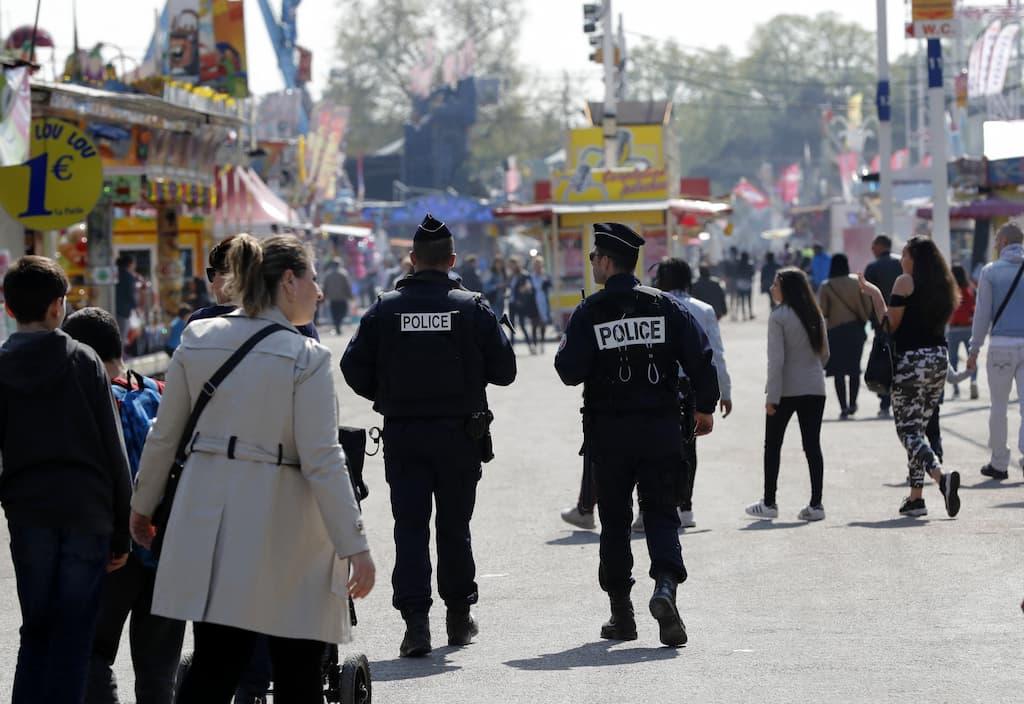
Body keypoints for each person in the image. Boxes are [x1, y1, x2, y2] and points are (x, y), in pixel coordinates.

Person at [129, 234, 376, 700]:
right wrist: (355, 545)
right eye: (312, 278)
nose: (319, 291)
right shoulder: (308, 357)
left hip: (208, 523)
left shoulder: (197, 339)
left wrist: (141, 506)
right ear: (288, 281)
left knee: (213, 666)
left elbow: (164, 436)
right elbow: (324, 461)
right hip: (288, 529)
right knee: (298, 673)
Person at [341, 214, 516, 658]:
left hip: (404, 434)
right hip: (459, 434)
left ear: (413, 260)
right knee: (454, 527)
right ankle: (458, 619)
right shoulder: (473, 307)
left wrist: (387, 394)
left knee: (410, 529)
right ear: (452, 259)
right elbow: (506, 371)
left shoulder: (385, 308)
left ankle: (416, 626)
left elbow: (351, 367)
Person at [554, 223, 719, 647]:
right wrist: (704, 406)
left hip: (610, 437)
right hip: (662, 431)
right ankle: (665, 590)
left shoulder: (590, 312)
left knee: (614, 522)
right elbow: (701, 357)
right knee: (662, 513)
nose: (592, 263)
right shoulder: (666, 307)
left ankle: (622, 616)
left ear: (607, 263)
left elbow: (568, 371)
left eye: (594, 258)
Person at [0, 256, 132, 703]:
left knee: (36, 630)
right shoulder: (86, 361)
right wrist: (122, 529)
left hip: (29, 514)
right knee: (75, 637)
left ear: (9, 307)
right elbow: (113, 450)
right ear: (59, 306)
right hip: (87, 515)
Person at [63, 308, 186, 704]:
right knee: (158, 670)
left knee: (92, 655)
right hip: (166, 548)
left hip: (111, 551)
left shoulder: (86, 400)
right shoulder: (161, 392)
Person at [859, 235, 961, 518]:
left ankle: (943, 478)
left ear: (914, 258)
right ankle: (916, 498)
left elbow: (890, 325)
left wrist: (876, 295)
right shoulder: (945, 285)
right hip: (938, 360)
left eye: (905, 254)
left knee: (908, 431)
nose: (902, 259)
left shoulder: (905, 282)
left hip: (912, 362)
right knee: (919, 428)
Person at [650, 258, 732, 529]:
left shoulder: (653, 306)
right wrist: (724, 391)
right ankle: (686, 507)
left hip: (659, 385)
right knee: (689, 447)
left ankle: (658, 504)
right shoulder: (704, 309)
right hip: (692, 388)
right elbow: (715, 354)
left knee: (656, 446)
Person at [746, 268, 830, 522]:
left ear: (786, 288)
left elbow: (777, 360)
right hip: (815, 388)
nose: (772, 289)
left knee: (772, 445)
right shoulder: (814, 314)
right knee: (812, 446)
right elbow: (825, 354)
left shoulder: (779, 316)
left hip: (785, 391)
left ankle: (770, 501)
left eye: (775, 284)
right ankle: (816, 504)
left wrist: (772, 396)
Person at [967, 222, 1024, 480]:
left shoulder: (990, 272)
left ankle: (1000, 463)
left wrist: (974, 348)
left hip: (1001, 347)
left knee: (998, 407)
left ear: (1002, 242)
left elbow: (982, 315)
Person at [191, 235, 319, 341]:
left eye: (213, 274)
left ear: (233, 276)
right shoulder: (296, 321)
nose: (212, 285)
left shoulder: (200, 322)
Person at [818, 254, 872, 420]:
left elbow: (823, 311)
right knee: (854, 367)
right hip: (855, 329)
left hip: (835, 331)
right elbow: (868, 305)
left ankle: (843, 407)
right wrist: (862, 320)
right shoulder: (856, 282)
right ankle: (853, 403)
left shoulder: (827, 286)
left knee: (838, 370)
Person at [865, 235, 904, 418]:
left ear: (881, 246)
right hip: (903, 320)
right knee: (900, 358)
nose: (872, 249)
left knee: (883, 358)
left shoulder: (873, 268)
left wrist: (868, 319)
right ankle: (899, 397)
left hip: (881, 323)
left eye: (873, 246)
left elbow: (867, 297)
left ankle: (885, 400)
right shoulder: (901, 264)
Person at [947, 265, 978, 400]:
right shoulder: (970, 289)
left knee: (953, 359)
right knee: (971, 357)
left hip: (954, 328)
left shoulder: (950, 289)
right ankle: (973, 381)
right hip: (969, 327)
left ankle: (956, 389)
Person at [508, 257, 541, 354]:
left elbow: (529, 288)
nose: (511, 267)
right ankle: (511, 349)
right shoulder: (512, 276)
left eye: (512, 265)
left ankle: (530, 345)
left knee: (522, 325)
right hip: (512, 303)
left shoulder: (524, 275)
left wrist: (522, 296)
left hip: (520, 304)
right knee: (511, 326)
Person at [322, 259, 354, 335]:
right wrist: (350, 295)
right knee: (342, 312)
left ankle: (337, 325)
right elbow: (347, 286)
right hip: (342, 297)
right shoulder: (343, 273)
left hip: (332, 298)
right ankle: (338, 325)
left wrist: (324, 296)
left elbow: (325, 287)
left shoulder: (328, 274)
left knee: (334, 313)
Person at [531, 256, 553, 350]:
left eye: (539, 265)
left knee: (543, 323)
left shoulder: (545, 276)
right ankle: (535, 343)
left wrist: (545, 279)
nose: (538, 267)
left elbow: (550, 285)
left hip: (543, 301)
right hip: (533, 302)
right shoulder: (531, 276)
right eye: (536, 265)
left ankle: (542, 343)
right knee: (534, 323)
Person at [115, 253, 139, 342]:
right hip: (123, 311)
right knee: (121, 335)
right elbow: (130, 294)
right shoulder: (128, 277)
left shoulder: (117, 273)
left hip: (114, 308)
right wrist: (136, 308)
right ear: (130, 264)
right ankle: (120, 355)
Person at [735, 252, 755, 320]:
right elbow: (752, 273)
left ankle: (743, 315)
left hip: (740, 283)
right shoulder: (750, 264)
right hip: (748, 283)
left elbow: (736, 273)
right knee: (749, 300)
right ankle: (750, 313)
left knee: (742, 300)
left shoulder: (739, 264)